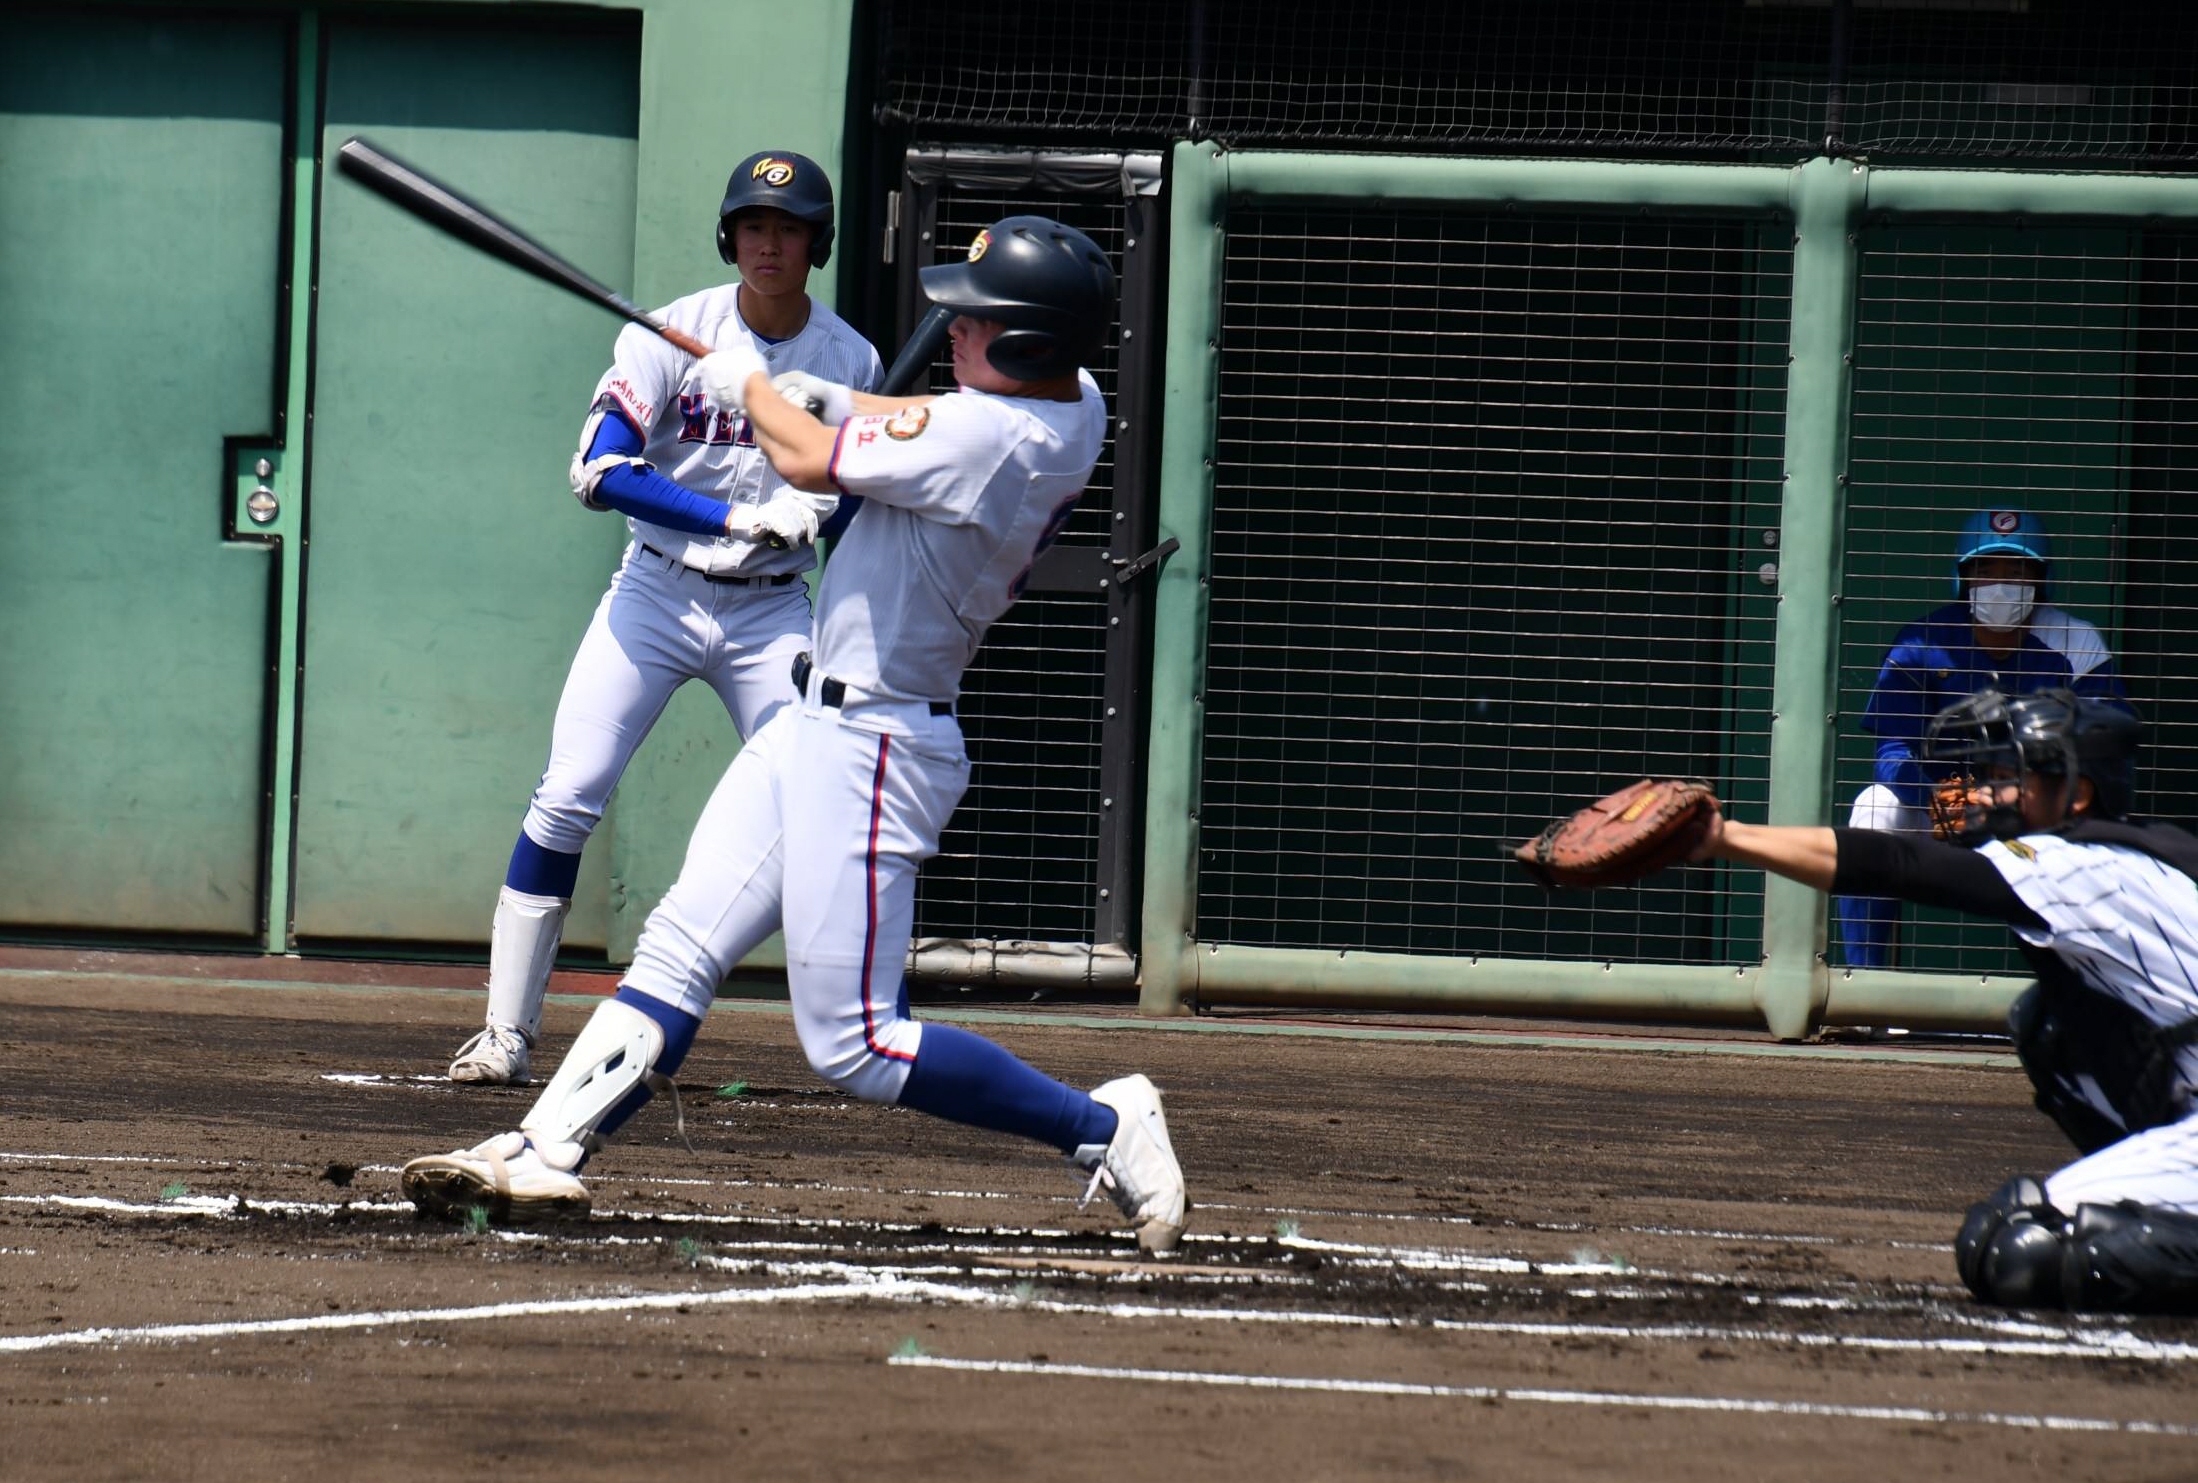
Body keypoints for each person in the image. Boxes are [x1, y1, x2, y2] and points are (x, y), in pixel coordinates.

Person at [401, 216, 1190, 1253]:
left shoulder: (993, 438)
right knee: (681, 942)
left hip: (876, 748)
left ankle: (1102, 1125)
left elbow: (818, 462)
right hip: (813, 721)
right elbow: (882, 429)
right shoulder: (1070, 403)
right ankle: (546, 1149)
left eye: (977, 318)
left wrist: (756, 391)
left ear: (1027, 342)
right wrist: (816, 395)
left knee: (856, 1045)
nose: (951, 329)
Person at [447, 151, 882, 1085]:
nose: (770, 243)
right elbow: (601, 472)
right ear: (731, 235)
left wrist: (820, 507)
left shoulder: (850, 359)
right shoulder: (670, 332)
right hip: (656, 592)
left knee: (821, 809)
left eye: (790, 227)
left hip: (773, 612)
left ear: (817, 243)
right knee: (569, 794)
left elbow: (853, 489)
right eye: (755, 226)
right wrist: (735, 516)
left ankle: (869, 1036)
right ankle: (506, 1034)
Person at [1691, 687, 2198, 1314]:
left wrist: (1725, 836)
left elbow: (1897, 861)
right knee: (2046, 1026)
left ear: (2078, 792)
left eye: (2009, 776)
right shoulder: (2149, 850)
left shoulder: (2072, 865)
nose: (1984, 791)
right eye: (1987, 773)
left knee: (2023, 1249)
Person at [1835, 509, 2128, 968]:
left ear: (2040, 578)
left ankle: (2075, 1001)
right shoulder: (1923, 639)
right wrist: (1932, 794)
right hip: (1941, 807)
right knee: (1873, 809)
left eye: (2017, 570)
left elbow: (2107, 746)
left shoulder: (2077, 641)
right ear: (1964, 578)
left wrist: (2028, 798)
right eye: (1986, 569)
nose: (2001, 583)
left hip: (2038, 811)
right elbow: (1892, 751)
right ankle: (1864, 986)